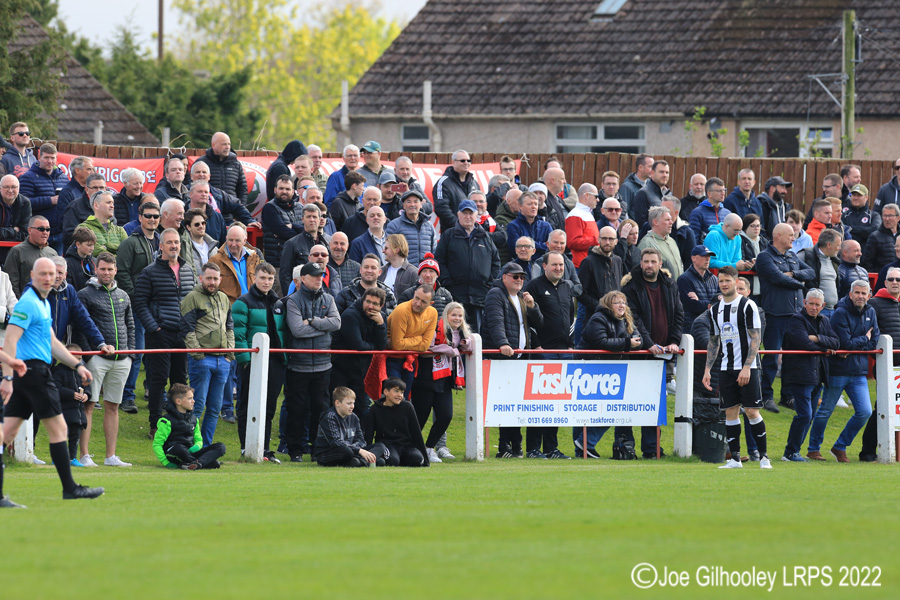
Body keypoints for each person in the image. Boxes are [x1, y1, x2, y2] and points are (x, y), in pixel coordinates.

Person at [1, 257, 103, 503]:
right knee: (59, 429)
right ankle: (70, 489)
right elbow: (11, 340)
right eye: (44, 274)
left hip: (28, 374)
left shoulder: (42, 302)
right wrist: (6, 377)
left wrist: (78, 365)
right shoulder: (28, 303)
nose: (50, 278)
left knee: (6, 434)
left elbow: (53, 343)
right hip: (33, 373)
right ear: (32, 276)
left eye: (53, 273)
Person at [701, 266, 770, 469]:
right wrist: (707, 370)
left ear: (736, 281)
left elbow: (755, 338)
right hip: (726, 368)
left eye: (727, 281)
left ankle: (764, 458)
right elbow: (714, 341)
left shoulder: (748, 305)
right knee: (730, 412)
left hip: (748, 367)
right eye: (721, 281)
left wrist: (747, 367)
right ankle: (735, 459)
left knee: (751, 411)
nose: (724, 284)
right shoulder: (715, 309)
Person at [807, 280, 879, 463]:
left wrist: (858, 345)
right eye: (857, 293)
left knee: (865, 412)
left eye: (864, 293)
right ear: (850, 294)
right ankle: (813, 449)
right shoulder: (840, 312)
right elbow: (845, 343)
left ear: (869, 295)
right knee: (825, 411)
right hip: (838, 371)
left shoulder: (871, 311)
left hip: (859, 371)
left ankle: (840, 446)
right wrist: (864, 339)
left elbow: (874, 341)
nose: (861, 296)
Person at [133, 228, 195, 437]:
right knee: (158, 381)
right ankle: (155, 425)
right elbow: (140, 303)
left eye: (176, 242)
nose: (173, 246)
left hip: (182, 334)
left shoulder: (188, 270)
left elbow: (191, 302)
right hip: (159, 334)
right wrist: (154, 328)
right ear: (161, 246)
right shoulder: (149, 272)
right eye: (169, 242)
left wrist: (189, 326)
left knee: (180, 380)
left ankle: (179, 424)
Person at [76, 252, 135, 467]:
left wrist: (131, 353)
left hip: (122, 359)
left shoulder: (123, 295)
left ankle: (111, 456)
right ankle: (84, 455)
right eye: (102, 269)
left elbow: (130, 325)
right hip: (97, 358)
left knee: (113, 406)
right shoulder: (85, 294)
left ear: (116, 270)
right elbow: (81, 326)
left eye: (110, 269)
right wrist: (90, 355)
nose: (106, 273)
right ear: (95, 269)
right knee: (89, 405)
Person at [621, 248, 683, 454]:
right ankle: (625, 447)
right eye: (646, 261)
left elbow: (679, 314)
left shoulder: (670, 285)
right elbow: (633, 319)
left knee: (655, 403)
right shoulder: (630, 287)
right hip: (638, 354)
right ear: (640, 264)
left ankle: (652, 448)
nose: (649, 265)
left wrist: (674, 341)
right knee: (630, 402)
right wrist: (648, 343)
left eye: (653, 262)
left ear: (660, 264)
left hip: (662, 355)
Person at [576, 291, 650, 457]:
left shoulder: (626, 319)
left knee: (614, 410)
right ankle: (584, 444)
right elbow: (601, 342)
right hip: (592, 370)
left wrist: (631, 343)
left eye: (623, 302)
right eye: (617, 303)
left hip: (613, 372)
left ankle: (585, 444)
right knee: (588, 411)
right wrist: (627, 343)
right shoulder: (598, 318)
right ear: (608, 305)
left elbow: (639, 340)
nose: (621, 306)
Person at [482, 262, 543, 459]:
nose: (519, 280)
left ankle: (516, 445)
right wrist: (503, 343)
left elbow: (539, 323)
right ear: (504, 277)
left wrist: (533, 307)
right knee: (503, 403)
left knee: (516, 403)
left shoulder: (522, 297)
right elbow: (495, 321)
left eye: (522, 277)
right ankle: (504, 446)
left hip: (519, 358)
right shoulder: (496, 294)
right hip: (502, 358)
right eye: (515, 276)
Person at [281, 261, 340, 462]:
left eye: (320, 275)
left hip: (323, 365)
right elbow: (298, 330)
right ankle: (295, 449)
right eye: (315, 276)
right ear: (303, 279)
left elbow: (336, 323)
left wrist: (313, 321)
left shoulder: (329, 298)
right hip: (298, 365)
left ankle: (318, 448)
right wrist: (323, 327)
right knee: (296, 409)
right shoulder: (293, 300)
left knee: (320, 410)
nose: (319, 279)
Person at [756, 223, 815, 412]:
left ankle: (787, 396)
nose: (793, 238)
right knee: (772, 357)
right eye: (790, 235)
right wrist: (800, 283)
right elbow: (777, 278)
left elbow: (811, 272)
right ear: (778, 236)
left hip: (795, 315)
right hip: (775, 314)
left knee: (792, 357)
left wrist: (793, 274)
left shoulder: (791, 255)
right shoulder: (765, 257)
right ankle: (765, 396)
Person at [524, 251, 576, 459]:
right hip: (543, 352)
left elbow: (571, 317)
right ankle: (533, 448)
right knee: (540, 403)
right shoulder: (534, 286)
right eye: (554, 265)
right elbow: (529, 320)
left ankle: (551, 448)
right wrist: (537, 345)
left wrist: (570, 345)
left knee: (557, 404)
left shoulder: (566, 287)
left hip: (564, 352)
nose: (558, 268)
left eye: (561, 265)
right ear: (544, 266)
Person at [233, 262, 284, 461]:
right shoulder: (242, 302)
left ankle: (264, 449)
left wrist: (284, 358)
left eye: (270, 278)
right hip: (252, 362)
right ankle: (246, 448)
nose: (266, 282)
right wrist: (246, 361)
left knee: (269, 407)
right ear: (254, 278)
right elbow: (238, 335)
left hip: (275, 361)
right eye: (263, 278)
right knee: (247, 405)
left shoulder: (278, 303)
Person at [780, 289, 839, 462]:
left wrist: (817, 338)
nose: (813, 307)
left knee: (809, 415)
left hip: (818, 375)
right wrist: (825, 348)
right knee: (805, 415)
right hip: (799, 374)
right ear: (805, 303)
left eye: (817, 305)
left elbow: (836, 342)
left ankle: (793, 451)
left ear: (823, 306)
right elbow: (804, 343)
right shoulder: (796, 319)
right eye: (811, 303)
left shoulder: (825, 320)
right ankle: (790, 452)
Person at [181, 263, 235, 446]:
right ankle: (191, 447)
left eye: (215, 279)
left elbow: (230, 327)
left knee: (214, 409)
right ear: (201, 278)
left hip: (223, 360)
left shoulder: (224, 298)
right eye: (209, 278)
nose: (212, 282)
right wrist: (198, 355)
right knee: (196, 407)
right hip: (202, 360)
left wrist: (230, 354)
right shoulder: (192, 298)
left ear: (220, 280)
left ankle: (205, 449)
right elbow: (186, 329)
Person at [115, 201, 160, 413]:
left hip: (158, 306)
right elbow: (122, 273)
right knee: (137, 353)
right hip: (137, 306)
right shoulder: (129, 243)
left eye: (155, 216)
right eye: (148, 216)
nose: (152, 219)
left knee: (156, 354)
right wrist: (137, 297)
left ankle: (155, 395)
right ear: (140, 217)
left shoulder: (162, 241)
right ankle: (127, 396)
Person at [412, 302, 471, 463]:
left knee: (446, 415)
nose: (457, 318)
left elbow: (466, 347)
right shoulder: (435, 328)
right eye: (453, 315)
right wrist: (448, 350)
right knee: (420, 418)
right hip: (426, 378)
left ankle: (429, 447)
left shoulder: (463, 332)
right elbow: (426, 349)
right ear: (446, 316)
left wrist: (464, 345)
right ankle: (411, 448)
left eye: (460, 315)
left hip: (445, 380)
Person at [434, 199, 501, 331]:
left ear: (476, 215)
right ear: (458, 214)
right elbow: (439, 260)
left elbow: (496, 262)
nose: (468, 217)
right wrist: (447, 281)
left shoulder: (485, 237)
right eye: (464, 213)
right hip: (455, 296)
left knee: (477, 335)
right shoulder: (449, 235)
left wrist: (488, 282)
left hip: (480, 296)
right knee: (455, 334)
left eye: (471, 213)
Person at [330, 287, 387, 417]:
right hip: (340, 368)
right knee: (338, 407)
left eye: (375, 304)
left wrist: (380, 324)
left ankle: (357, 431)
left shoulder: (381, 318)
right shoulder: (350, 315)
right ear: (362, 300)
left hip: (360, 371)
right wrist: (375, 347)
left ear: (381, 306)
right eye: (368, 301)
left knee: (359, 407)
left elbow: (382, 345)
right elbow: (358, 345)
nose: (370, 306)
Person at [151, 384, 226, 470]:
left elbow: (199, 439)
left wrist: (196, 446)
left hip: (190, 452)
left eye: (193, 398)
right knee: (180, 448)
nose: (193, 401)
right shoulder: (166, 420)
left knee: (220, 446)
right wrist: (166, 462)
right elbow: (157, 444)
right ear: (178, 401)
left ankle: (196, 463)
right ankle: (202, 462)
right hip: (174, 452)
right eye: (190, 398)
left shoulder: (194, 419)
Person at [386, 285, 438, 400]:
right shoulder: (401, 310)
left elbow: (425, 346)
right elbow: (397, 345)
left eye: (423, 301)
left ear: (431, 303)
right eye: (417, 298)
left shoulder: (433, 313)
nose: (418, 303)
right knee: (393, 398)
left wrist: (407, 341)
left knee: (404, 399)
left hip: (410, 360)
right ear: (414, 294)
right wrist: (419, 338)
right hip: (391, 359)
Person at [364, 378, 429, 467]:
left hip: (406, 446)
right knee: (393, 460)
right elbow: (369, 433)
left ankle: (397, 460)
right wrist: (366, 453)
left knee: (417, 459)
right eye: (396, 391)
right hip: (387, 445)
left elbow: (416, 433)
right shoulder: (375, 409)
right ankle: (385, 460)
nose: (399, 395)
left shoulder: (408, 407)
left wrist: (426, 460)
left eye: (402, 392)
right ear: (386, 392)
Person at [17, 143, 68, 253]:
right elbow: (24, 203)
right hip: (38, 233)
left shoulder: (64, 178)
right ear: (39, 157)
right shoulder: (28, 177)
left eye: (52, 158)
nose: (50, 161)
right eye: (46, 157)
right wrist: (49, 201)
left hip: (59, 234)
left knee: (57, 264)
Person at [314, 387, 384, 467]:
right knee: (347, 451)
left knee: (380, 446)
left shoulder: (354, 417)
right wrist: (358, 450)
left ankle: (360, 462)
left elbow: (361, 440)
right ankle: (364, 461)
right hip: (329, 453)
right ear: (337, 403)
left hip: (352, 450)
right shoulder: (329, 417)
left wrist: (357, 449)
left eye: (353, 403)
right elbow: (336, 442)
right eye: (349, 403)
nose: (352, 406)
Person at [279, 204, 331, 294]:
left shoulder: (327, 243)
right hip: (300, 295)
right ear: (302, 219)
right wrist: (289, 297)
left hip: (324, 295)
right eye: (308, 217)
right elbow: (285, 275)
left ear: (319, 219)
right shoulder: (291, 244)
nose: (312, 220)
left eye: (314, 217)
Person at [4, 215, 58, 297]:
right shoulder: (16, 251)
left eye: (48, 229)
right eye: (41, 229)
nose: (45, 232)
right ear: (29, 230)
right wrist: (20, 302)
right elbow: (11, 283)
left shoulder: (53, 253)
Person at [261, 174, 304, 271]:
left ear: (293, 191)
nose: (284, 191)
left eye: (287, 189)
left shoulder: (300, 208)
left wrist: (292, 226)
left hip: (299, 263)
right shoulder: (269, 208)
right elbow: (283, 232)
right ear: (275, 190)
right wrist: (303, 235)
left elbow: (309, 230)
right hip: (277, 265)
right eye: (281, 188)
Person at [798, 229, 842, 319]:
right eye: (838, 245)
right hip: (815, 311)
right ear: (829, 245)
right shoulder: (805, 255)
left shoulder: (834, 260)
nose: (839, 248)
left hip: (832, 311)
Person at [210, 224, 260, 304]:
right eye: (230, 240)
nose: (233, 244)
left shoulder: (254, 258)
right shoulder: (215, 260)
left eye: (237, 241)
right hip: (229, 308)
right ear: (226, 239)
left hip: (252, 306)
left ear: (244, 241)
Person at [384, 189, 436, 266]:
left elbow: (434, 250)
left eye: (416, 201)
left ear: (421, 204)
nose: (412, 205)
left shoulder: (429, 226)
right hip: (403, 271)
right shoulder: (394, 225)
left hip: (425, 270)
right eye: (409, 202)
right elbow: (388, 251)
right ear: (404, 206)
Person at [433, 149, 480, 232]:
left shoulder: (474, 183)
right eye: (462, 161)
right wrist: (459, 226)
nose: (466, 163)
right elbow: (441, 209)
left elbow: (480, 206)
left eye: (468, 160)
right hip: (452, 233)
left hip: (473, 232)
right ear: (453, 162)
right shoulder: (443, 183)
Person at [677, 245, 719, 334]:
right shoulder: (684, 279)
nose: (707, 259)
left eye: (709, 256)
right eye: (704, 256)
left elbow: (721, 303)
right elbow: (693, 306)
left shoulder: (715, 279)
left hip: (712, 328)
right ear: (693, 258)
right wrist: (713, 304)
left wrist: (700, 302)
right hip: (692, 328)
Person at [196, 131, 248, 203]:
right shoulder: (201, 163)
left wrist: (241, 207)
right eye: (224, 144)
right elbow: (193, 186)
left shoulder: (236, 164)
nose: (227, 147)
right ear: (213, 145)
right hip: (209, 207)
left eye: (229, 144)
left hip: (232, 208)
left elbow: (243, 188)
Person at [637, 205, 683, 278]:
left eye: (671, 219)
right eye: (667, 220)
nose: (671, 222)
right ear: (656, 222)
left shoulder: (672, 241)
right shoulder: (647, 243)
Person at [506, 192, 551, 260]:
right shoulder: (513, 226)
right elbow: (516, 250)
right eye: (529, 204)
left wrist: (527, 246)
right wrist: (542, 245)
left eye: (536, 204)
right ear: (520, 206)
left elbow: (551, 247)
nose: (533, 207)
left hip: (543, 263)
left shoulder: (546, 226)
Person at [565, 183, 600, 268]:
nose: (598, 200)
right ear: (587, 195)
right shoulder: (575, 215)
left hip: (590, 264)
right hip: (581, 266)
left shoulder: (587, 214)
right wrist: (596, 240)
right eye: (596, 196)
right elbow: (572, 242)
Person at [0, 174, 32, 263]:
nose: (10, 190)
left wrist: (4, 233)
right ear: (0, 188)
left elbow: (25, 234)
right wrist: (13, 231)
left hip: (17, 250)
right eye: (6, 187)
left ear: (19, 188)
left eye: (14, 187)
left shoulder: (25, 203)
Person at [689, 177, 732, 242]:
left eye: (724, 190)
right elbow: (694, 239)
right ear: (709, 194)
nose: (723, 193)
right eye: (719, 191)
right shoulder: (697, 213)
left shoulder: (727, 213)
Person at [862, 202, 900, 272]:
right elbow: (867, 263)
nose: (887, 219)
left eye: (890, 216)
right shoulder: (874, 237)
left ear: (898, 218)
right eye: (885, 216)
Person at [738, 213, 767, 302]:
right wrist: (762, 265)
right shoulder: (739, 240)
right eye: (752, 226)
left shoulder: (764, 241)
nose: (756, 228)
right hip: (748, 284)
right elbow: (742, 260)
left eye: (758, 226)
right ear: (745, 227)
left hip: (763, 286)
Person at [379, 234, 419, 298]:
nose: (383, 251)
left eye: (386, 248)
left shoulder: (413, 273)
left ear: (397, 250)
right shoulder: (381, 271)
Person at [630, 160, 669, 225]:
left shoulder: (669, 194)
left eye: (667, 172)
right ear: (652, 173)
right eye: (661, 172)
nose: (665, 175)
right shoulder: (642, 194)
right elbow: (642, 224)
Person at [842, 184, 880, 248]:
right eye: (854, 195)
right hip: (848, 251)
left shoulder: (873, 215)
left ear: (866, 198)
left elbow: (874, 231)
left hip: (867, 251)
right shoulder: (844, 215)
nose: (856, 198)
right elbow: (842, 230)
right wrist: (864, 232)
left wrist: (850, 229)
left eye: (859, 195)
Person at [183, 208, 219, 275]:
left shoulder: (214, 249)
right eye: (197, 224)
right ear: (188, 227)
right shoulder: (184, 248)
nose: (201, 226)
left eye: (203, 223)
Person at [64, 226, 97, 291]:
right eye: (89, 245)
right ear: (78, 244)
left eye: (93, 245)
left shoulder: (94, 261)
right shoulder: (68, 264)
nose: (92, 248)